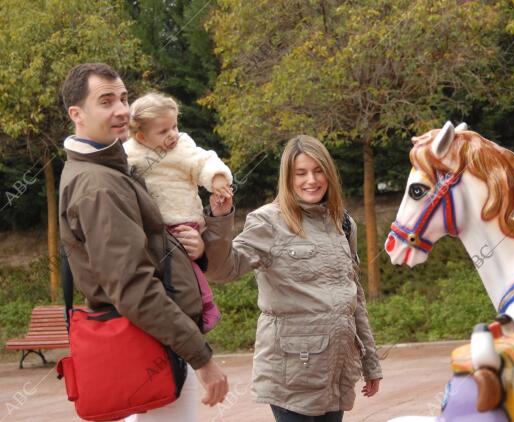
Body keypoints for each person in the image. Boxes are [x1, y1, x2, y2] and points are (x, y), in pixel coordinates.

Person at [57, 63, 229, 421]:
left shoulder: (110, 169)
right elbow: (133, 286)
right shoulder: (99, 185)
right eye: (106, 101)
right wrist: (202, 356)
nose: (121, 110)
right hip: (148, 342)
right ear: (77, 114)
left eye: (123, 98)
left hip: (152, 338)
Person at [202, 135, 383, 421]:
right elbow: (223, 270)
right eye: (300, 173)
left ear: (329, 173)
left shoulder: (344, 223)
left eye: (317, 170)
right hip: (289, 371)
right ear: (288, 177)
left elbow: (355, 298)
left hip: (336, 370)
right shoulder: (268, 221)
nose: (310, 180)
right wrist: (220, 219)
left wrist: (370, 362)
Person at [124, 92, 234, 332]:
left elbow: (202, 161)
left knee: (185, 270)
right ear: (142, 136)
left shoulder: (183, 146)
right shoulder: (130, 153)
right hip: (152, 226)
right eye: (163, 131)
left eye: (174, 126)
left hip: (184, 222)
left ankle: (204, 307)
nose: (172, 134)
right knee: (161, 273)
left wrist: (216, 178)